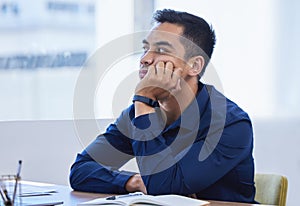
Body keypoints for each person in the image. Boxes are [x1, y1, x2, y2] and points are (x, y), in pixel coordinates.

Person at [70, 9, 256, 203]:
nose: (144, 59)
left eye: (160, 50)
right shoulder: (140, 112)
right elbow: (81, 170)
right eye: (145, 49)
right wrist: (133, 181)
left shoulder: (231, 123)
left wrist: (143, 99)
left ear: (194, 66)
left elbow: (164, 188)